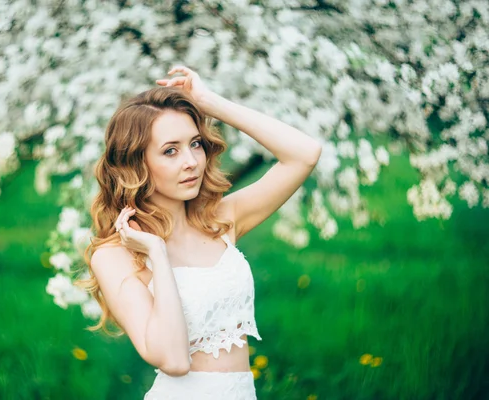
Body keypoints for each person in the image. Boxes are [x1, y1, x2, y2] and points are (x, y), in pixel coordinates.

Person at [81, 65, 322, 399]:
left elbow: (304, 154)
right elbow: (175, 361)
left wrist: (210, 102)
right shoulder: (114, 256)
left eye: (195, 143)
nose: (191, 161)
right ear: (136, 164)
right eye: (170, 150)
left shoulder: (221, 219)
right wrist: (157, 254)